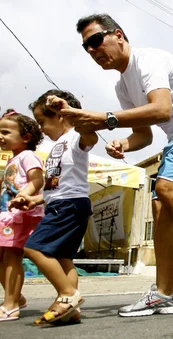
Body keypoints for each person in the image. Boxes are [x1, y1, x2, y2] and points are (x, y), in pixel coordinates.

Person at [69, 14, 173, 317]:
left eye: (95, 40)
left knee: (166, 188)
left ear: (118, 35)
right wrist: (124, 144)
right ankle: (166, 292)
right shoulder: (122, 87)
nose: (91, 50)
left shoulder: (147, 60)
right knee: (160, 207)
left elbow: (161, 110)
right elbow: (144, 133)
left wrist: (106, 119)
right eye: (86, 46)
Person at [13, 90, 98, 325]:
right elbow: (56, 186)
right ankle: (72, 310)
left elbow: (91, 137)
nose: (41, 128)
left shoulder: (75, 136)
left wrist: (70, 113)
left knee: (34, 248)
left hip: (69, 204)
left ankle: (69, 295)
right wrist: (35, 200)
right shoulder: (58, 145)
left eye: (42, 121)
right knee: (63, 257)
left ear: (61, 116)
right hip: (63, 202)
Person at [0, 110, 44, 322]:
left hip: (21, 214)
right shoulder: (13, 160)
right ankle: (16, 296)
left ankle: (10, 304)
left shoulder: (28, 156)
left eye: (6, 132)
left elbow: (38, 181)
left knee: (11, 256)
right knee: (2, 257)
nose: (1, 136)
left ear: (26, 137)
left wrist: (23, 196)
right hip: (7, 215)